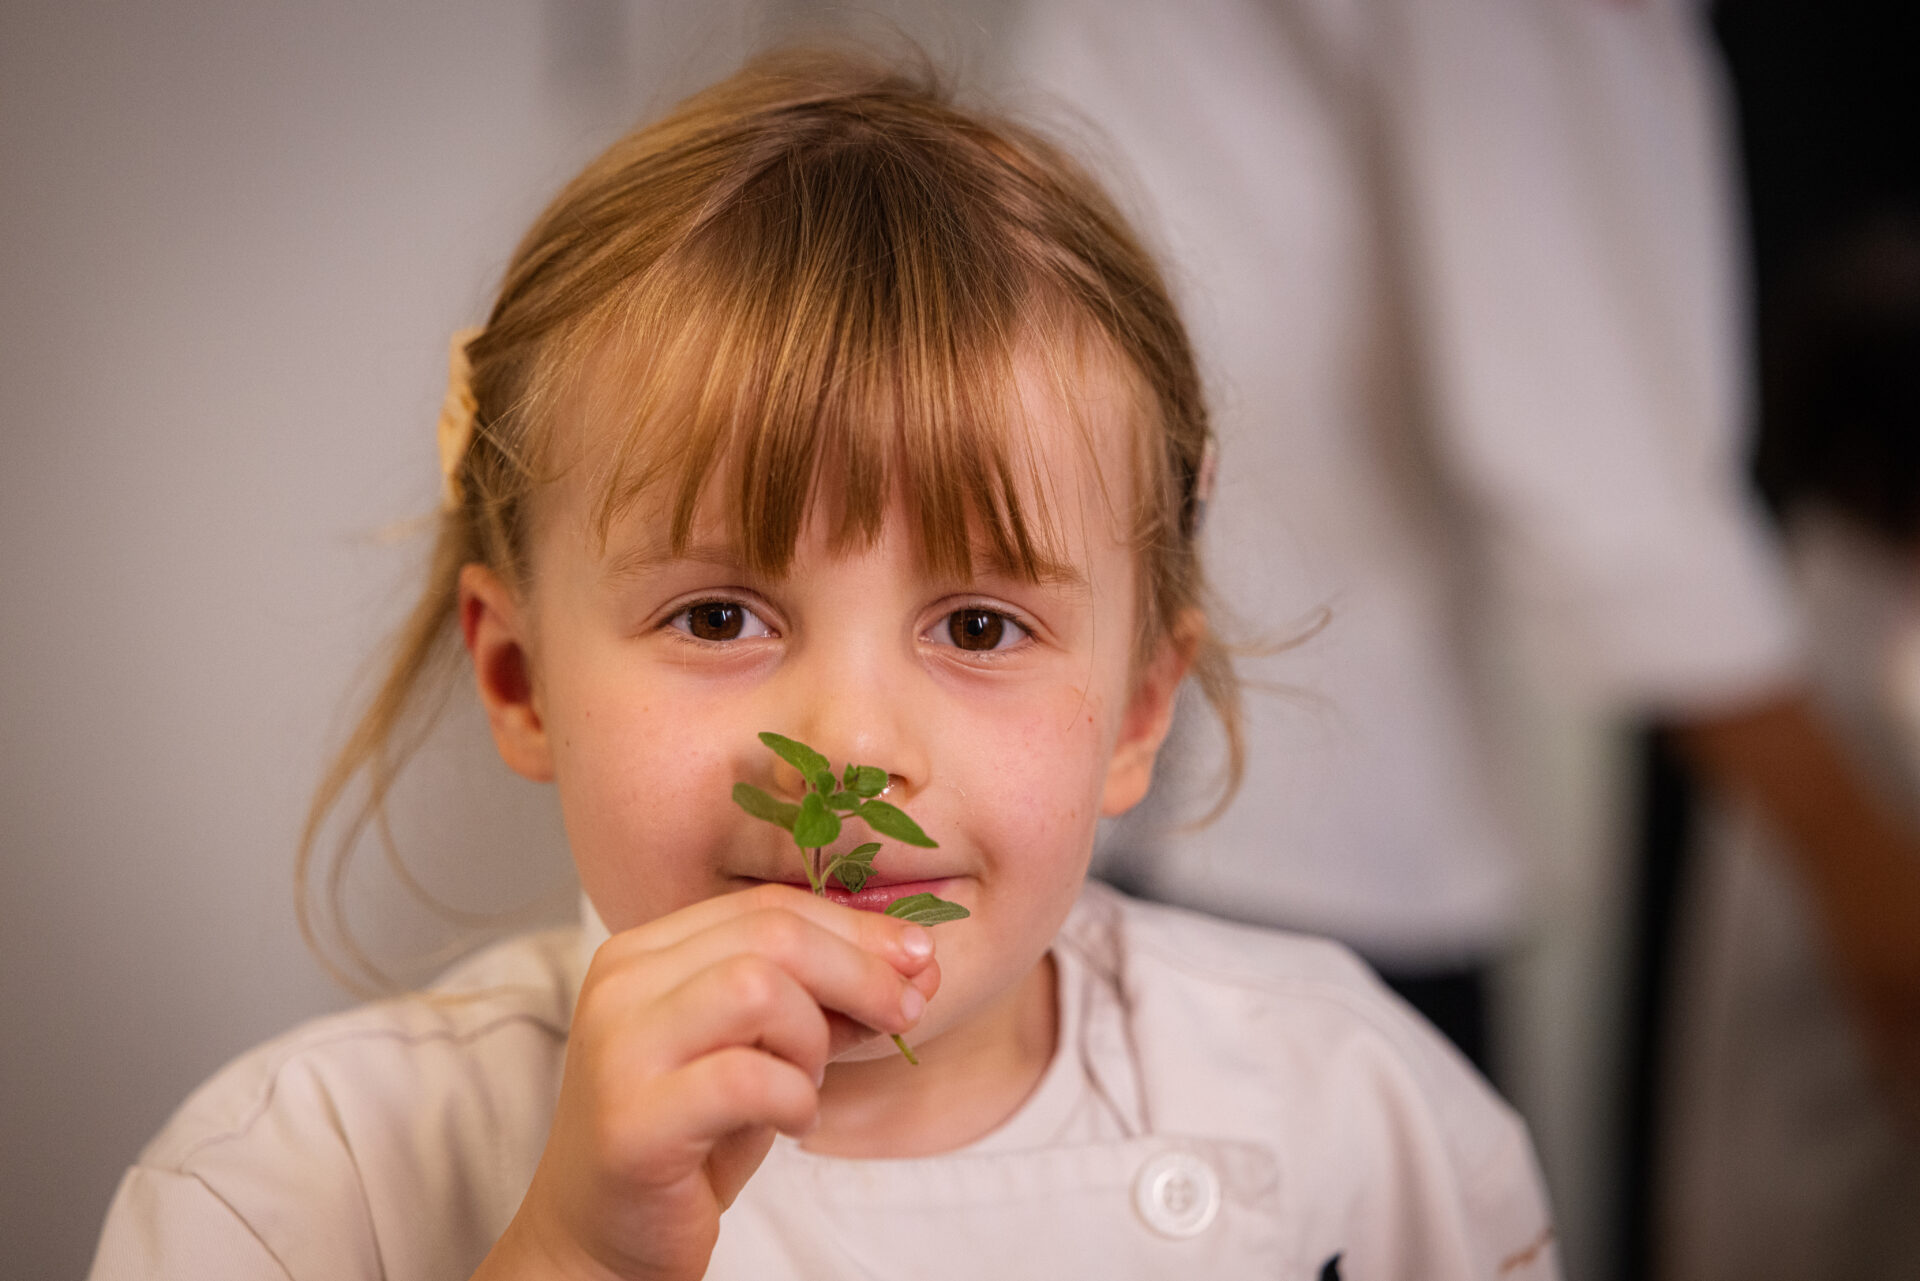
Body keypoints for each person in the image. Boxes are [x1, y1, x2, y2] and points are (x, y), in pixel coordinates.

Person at [85, 51, 1559, 1281]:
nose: (852, 746)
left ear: (1140, 710)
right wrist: (575, 1256)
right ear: (523, 679)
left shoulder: (1369, 1119)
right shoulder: (295, 1174)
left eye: (979, 626)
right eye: (721, 615)